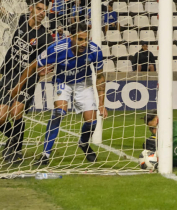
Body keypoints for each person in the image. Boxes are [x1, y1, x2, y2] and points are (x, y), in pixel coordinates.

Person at [11, 23, 108, 165]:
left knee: (92, 123)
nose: (84, 43)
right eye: (80, 39)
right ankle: (45, 154)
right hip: (63, 81)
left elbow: (100, 77)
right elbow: (33, 65)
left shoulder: (94, 51)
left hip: (83, 83)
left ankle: (83, 142)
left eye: (86, 39)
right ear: (71, 38)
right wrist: (17, 88)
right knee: (59, 113)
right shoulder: (57, 48)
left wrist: (101, 104)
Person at [0, 0, 54, 163]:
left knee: (16, 113)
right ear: (31, 8)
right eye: (39, 9)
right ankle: (15, 139)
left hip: (27, 79)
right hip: (8, 74)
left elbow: (47, 63)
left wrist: (46, 70)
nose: (42, 13)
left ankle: (14, 149)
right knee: (0, 118)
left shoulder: (46, 37)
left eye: (45, 10)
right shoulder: (18, 21)